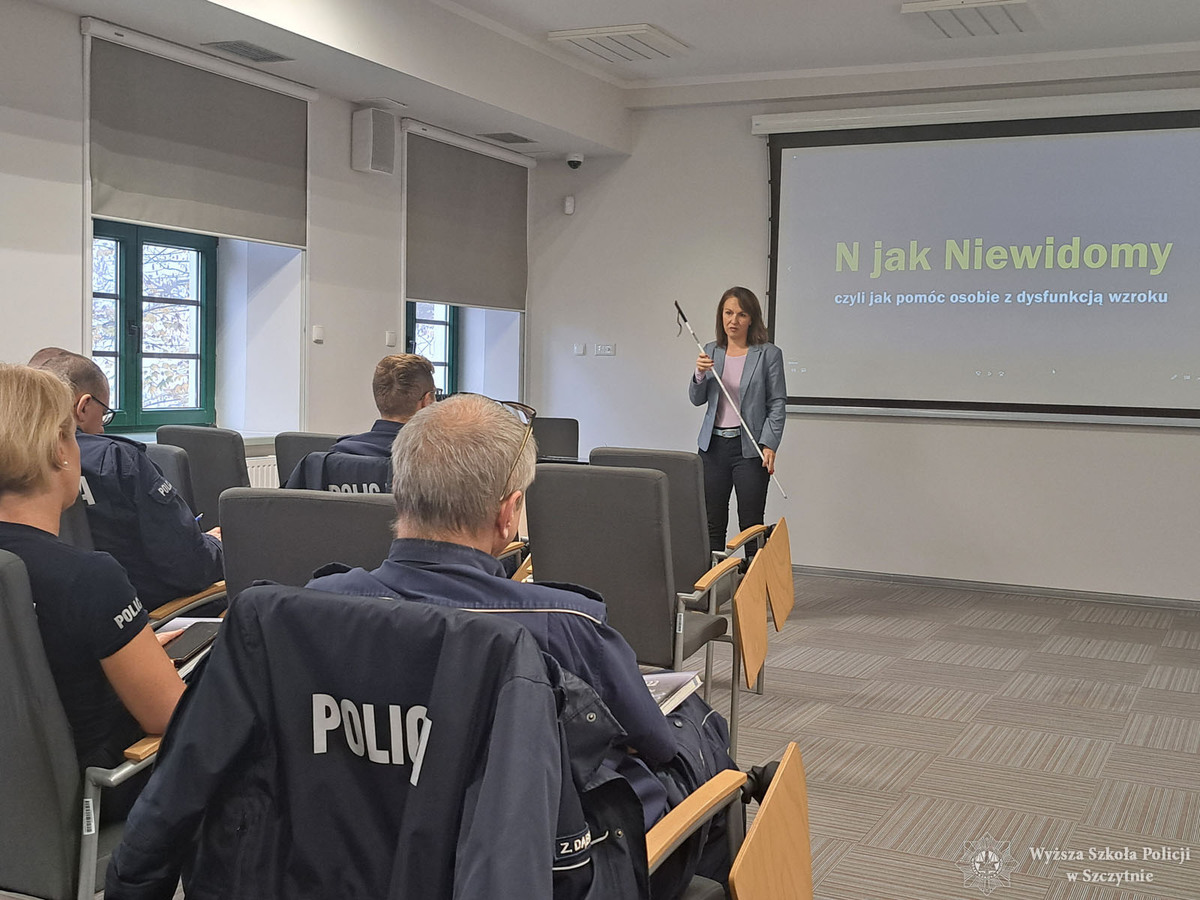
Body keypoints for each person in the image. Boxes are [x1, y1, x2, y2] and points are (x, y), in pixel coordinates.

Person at [306, 394, 738, 896]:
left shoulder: (321, 604)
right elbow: (655, 746)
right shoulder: (566, 624)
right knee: (696, 731)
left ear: (399, 492)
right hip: (546, 862)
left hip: (371, 847)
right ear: (508, 513)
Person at [0, 364, 184, 783]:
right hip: (96, 791)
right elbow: (169, 715)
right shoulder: (87, 577)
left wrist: (127, 648)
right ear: (60, 449)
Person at [35, 351, 224, 609]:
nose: (102, 428)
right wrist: (215, 544)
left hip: (51, 616)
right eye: (103, 413)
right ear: (83, 406)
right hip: (145, 612)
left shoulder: (17, 463)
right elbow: (187, 565)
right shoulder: (118, 459)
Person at [689, 287, 786, 552]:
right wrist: (699, 374)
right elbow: (697, 399)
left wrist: (769, 444)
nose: (733, 320)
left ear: (751, 318)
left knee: (751, 525)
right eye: (728, 313)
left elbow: (777, 403)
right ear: (721, 316)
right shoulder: (710, 351)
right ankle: (713, 588)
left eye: (741, 314)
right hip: (712, 449)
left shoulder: (768, 354)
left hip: (750, 450)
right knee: (712, 523)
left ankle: (752, 589)